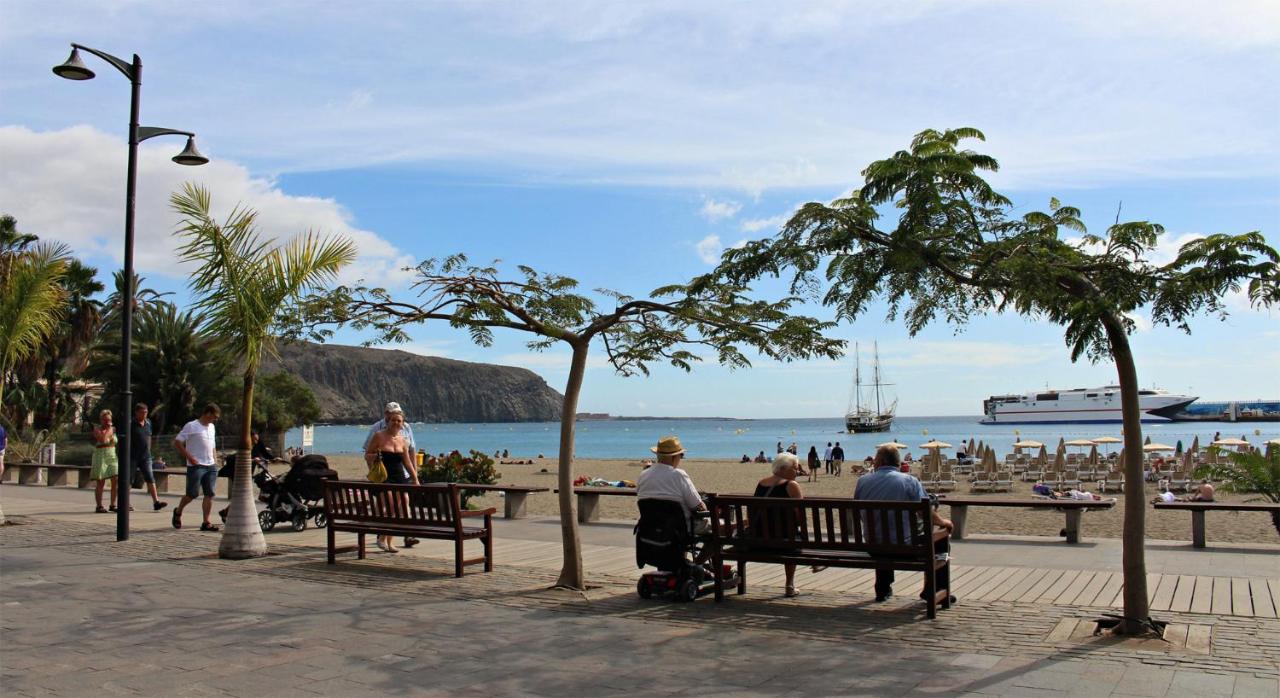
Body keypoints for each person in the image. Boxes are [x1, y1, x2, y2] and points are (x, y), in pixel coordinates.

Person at [853, 445, 954, 603]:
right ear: (897, 462)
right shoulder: (909, 481)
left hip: (873, 546)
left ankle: (883, 588)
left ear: (880, 461)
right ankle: (933, 589)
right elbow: (925, 513)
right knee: (940, 540)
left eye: (875, 459)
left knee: (883, 534)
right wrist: (944, 522)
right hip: (904, 548)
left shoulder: (863, 481)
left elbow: (859, 512)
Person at [364, 402, 419, 548]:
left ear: (402, 424)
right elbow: (367, 454)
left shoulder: (403, 440)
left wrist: (415, 478)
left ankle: (389, 540)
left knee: (402, 504)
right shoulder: (378, 435)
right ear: (387, 420)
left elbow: (407, 462)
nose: (396, 423)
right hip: (385, 476)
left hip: (400, 476)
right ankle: (383, 538)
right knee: (391, 506)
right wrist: (373, 460)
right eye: (393, 420)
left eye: (399, 421)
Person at [755, 452, 806, 597]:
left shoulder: (761, 483)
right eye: (795, 468)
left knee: (789, 533)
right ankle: (789, 585)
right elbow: (801, 516)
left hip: (759, 539)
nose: (798, 471)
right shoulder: (792, 485)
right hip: (785, 542)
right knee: (791, 535)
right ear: (783, 468)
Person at [172, 404, 222, 531]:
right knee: (192, 494)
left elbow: (212, 445)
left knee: (209, 493)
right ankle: (178, 511)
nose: (215, 420)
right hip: (196, 465)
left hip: (210, 465)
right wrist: (189, 457)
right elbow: (178, 442)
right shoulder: (192, 425)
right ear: (208, 413)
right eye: (214, 417)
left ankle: (206, 521)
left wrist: (215, 460)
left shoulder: (212, 427)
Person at [637, 436, 706, 526]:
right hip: (678, 530)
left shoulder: (643, 475)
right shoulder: (679, 475)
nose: (681, 458)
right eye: (681, 455)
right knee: (721, 525)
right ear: (673, 457)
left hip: (649, 530)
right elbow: (698, 506)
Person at [129, 403, 167, 511]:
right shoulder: (131, 423)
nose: (144, 414)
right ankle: (125, 502)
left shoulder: (148, 423)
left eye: (146, 412)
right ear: (136, 412)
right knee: (129, 479)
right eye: (142, 412)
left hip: (145, 456)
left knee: (150, 477)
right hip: (132, 456)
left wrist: (150, 451)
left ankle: (156, 502)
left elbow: (149, 437)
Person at [90, 410, 120, 513]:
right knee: (101, 481)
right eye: (106, 420)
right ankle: (99, 506)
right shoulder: (97, 429)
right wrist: (109, 429)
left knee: (115, 479)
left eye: (109, 420)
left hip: (111, 454)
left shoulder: (114, 429)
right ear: (101, 420)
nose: (108, 422)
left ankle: (113, 504)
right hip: (100, 455)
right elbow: (103, 439)